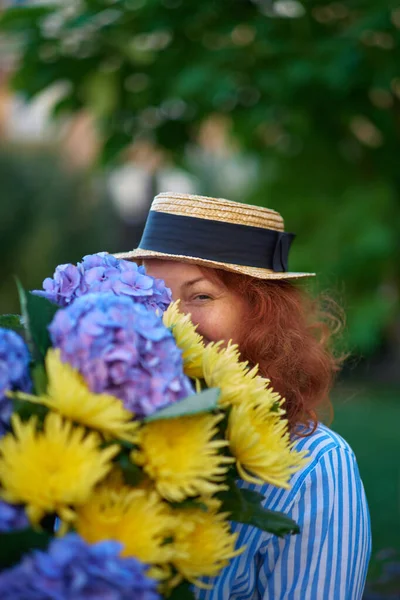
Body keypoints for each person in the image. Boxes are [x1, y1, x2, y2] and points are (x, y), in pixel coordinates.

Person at [116, 191, 371, 599]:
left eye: (200, 295)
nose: (168, 320)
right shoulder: (104, 436)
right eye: (153, 295)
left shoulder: (315, 468)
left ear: (261, 314)